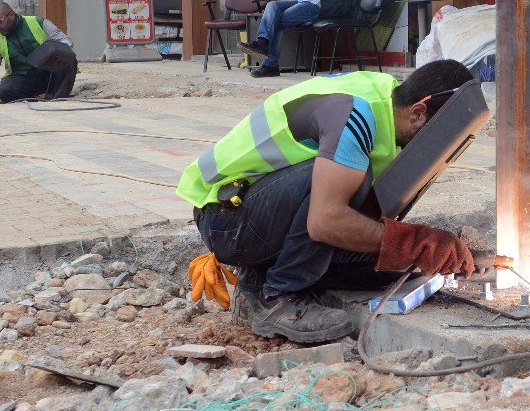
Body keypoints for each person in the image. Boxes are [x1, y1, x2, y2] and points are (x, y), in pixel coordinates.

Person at [177, 60, 477, 344]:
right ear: (418, 112)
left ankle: (274, 273)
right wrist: (415, 242)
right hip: (227, 222)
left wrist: (427, 255)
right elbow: (326, 221)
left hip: (255, 215)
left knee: (379, 259)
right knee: (352, 180)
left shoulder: (385, 100)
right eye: (431, 137)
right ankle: (278, 297)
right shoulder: (356, 115)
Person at [0, 2, 77, 103]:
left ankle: (56, 97)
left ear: (11, 15)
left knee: (69, 59)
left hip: (48, 74)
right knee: (5, 91)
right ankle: (32, 99)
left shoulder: (38, 22)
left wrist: (50, 53)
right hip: (23, 77)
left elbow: (66, 42)